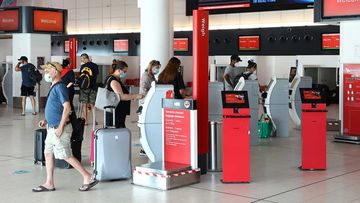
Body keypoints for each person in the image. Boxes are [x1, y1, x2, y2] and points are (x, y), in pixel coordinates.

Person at [32, 62, 98, 193]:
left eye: (48, 70)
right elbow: (57, 108)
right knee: (48, 153)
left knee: (65, 155)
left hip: (59, 128)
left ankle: (88, 176)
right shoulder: (54, 86)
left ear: (55, 71)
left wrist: (60, 127)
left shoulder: (60, 87)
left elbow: (67, 107)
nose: (46, 73)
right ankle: (49, 183)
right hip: (51, 128)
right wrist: (46, 120)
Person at [105, 60, 144, 128]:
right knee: (117, 131)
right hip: (115, 112)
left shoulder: (116, 79)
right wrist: (136, 96)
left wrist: (131, 97)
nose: (125, 73)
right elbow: (121, 96)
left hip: (117, 111)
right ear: (119, 70)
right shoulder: (113, 81)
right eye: (124, 71)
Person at [79, 53, 99, 125]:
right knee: (92, 104)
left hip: (84, 88)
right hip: (93, 87)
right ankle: (94, 120)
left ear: (85, 58)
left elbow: (81, 77)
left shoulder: (83, 66)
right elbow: (96, 76)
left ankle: (86, 121)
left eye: (82, 59)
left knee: (84, 104)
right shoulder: (95, 66)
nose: (82, 61)